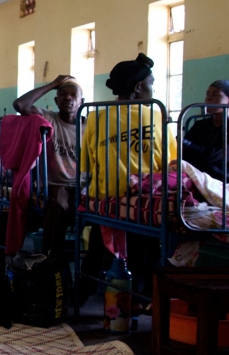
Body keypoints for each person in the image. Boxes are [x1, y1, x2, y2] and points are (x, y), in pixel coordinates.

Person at [78, 53, 174, 306]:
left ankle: (82, 292)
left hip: (105, 198)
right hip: (143, 200)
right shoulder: (155, 115)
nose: (153, 88)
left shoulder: (97, 114)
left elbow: (86, 161)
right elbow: (170, 163)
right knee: (149, 249)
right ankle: (148, 299)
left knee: (97, 248)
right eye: (151, 83)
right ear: (138, 87)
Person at [12, 74, 85, 257]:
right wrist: (53, 84)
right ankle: (50, 261)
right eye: (62, 94)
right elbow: (20, 105)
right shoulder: (48, 118)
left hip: (85, 186)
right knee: (58, 207)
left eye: (73, 94)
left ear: (82, 101)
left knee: (104, 208)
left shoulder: (91, 125)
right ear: (56, 99)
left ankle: (94, 271)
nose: (68, 97)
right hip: (56, 185)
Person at [182, 80, 229, 181]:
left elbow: (215, 156)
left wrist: (188, 144)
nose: (208, 98)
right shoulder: (201, 125)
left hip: (222, 178)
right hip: (197, 175)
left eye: (215, 94)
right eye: (207, 94)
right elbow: (184, 154)